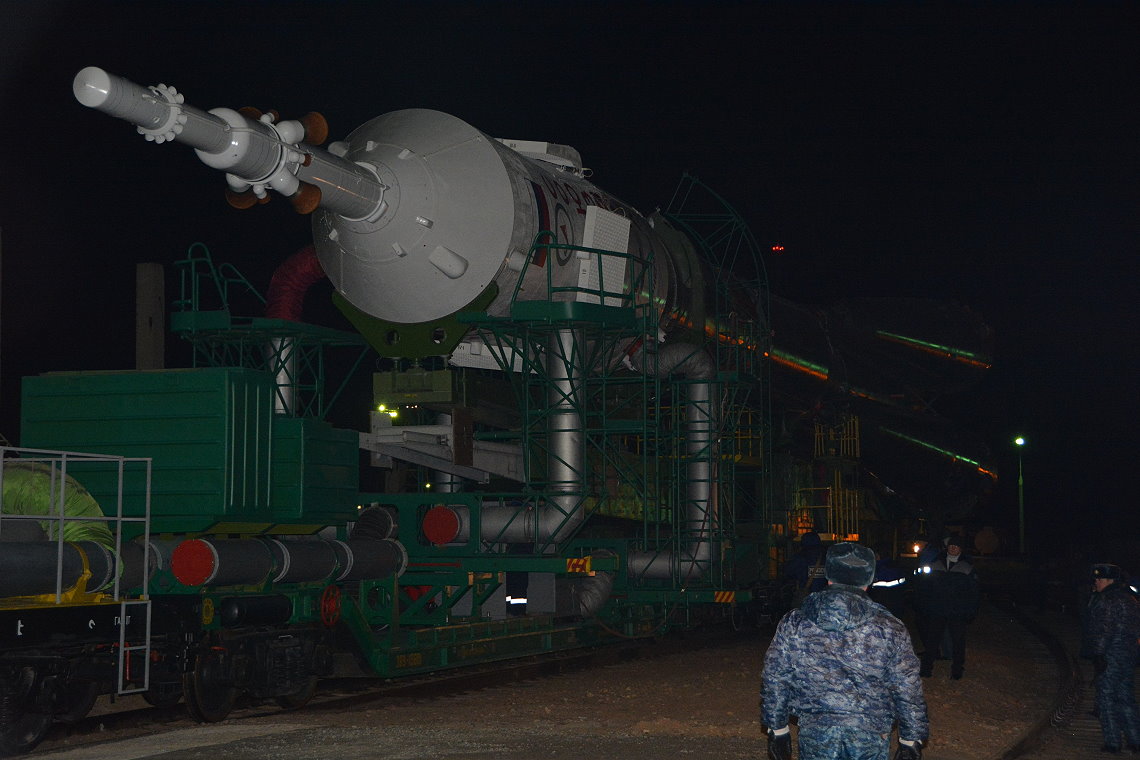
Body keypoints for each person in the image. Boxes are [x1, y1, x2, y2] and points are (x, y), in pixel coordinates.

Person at [761, 542, 928, 760]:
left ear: (828, 575)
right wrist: (910, 740)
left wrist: (778, 729)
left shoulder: (796, 621)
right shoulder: (890, 627)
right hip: (870, 732)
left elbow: (776, 676)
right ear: (869, 580)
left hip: (816, 731)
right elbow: (907, 685)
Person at [1086, 563, 1140, 753]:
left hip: (1110, 654)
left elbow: (1104, 629)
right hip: (1128, 655)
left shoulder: (1107, 600)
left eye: (1099, 579)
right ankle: (1135, 739)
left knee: (1106, 697)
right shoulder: (1130, 599)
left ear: (1110, 580)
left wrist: (1098, 653)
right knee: (1126, 696)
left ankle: (1112, 741)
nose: (1096, 582)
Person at [914, 534, 979, 679]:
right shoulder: (936, 563)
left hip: (957, 611)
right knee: (932, 640)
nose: (952, 548)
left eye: (955, 546)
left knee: (958, 641)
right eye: (951, 546)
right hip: (938, 609)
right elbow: (926, 587)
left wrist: (970, 611)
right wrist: (924, 605)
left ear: (960, 548)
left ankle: (957, 669)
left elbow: (973, 592)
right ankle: (926, 668)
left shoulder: (967, 567)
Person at [780, 531, 827, 608]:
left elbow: (788, 573)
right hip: (823, 601)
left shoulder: (800, 558)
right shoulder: (825, 558)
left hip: (805, 599)